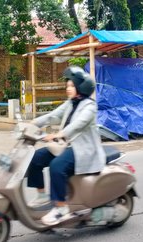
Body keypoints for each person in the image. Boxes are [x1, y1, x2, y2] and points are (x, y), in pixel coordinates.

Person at [26, 66, 106, 226]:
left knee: (57, 166)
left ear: (80, 88)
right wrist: (33, 123)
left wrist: (58, 134)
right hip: (66, 145)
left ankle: (60, 208)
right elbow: (53, 115)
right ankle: (42, 195)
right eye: (67, 86)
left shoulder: (90, 106)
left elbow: (78, 124)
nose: (68, 89)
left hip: (83, 149)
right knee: (35, 158)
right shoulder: (71, 103)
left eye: (71, 86)